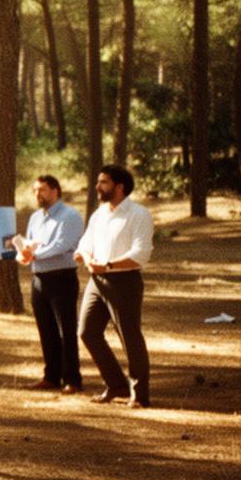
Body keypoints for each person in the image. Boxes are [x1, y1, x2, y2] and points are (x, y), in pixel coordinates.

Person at [75, 164, 156, 408]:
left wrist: (108, 266)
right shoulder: (99, 214)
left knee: (129, 336)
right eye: (98, 182)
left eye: (104, 182)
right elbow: (85, 244)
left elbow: (141, 254)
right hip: (96, 281)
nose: (98, 187)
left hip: (125, 281)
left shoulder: (139, 214)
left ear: (119, 187)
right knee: (87, 332)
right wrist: (87, 258)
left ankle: (140, 394)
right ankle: (116, 385)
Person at [14, 174, 85, 393]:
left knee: (66, 330)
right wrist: (23, 252)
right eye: (35, 190)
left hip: (62, 277)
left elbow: (61, 246)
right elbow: (30, 244)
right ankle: (51, 376)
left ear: (55, 191)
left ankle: (72, 379)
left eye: (42, 190)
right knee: (46, 330)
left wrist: (34, 255)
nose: (38, 194)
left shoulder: (69, 216)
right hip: (39, 278)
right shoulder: (36, 217)